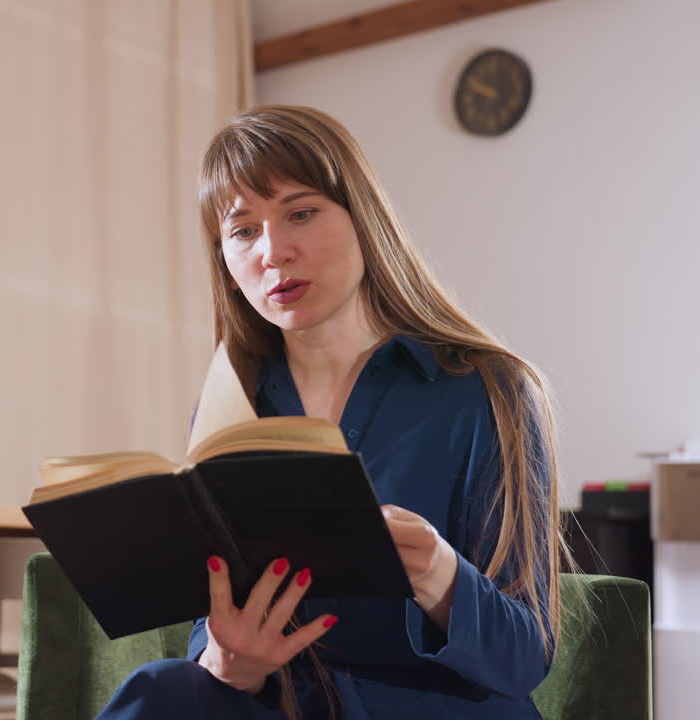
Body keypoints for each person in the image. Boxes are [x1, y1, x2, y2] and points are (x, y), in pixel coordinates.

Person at [94, 105, 565, 719]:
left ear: (364, 221)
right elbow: (211, 627)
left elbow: (526, 657)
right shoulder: (231, 411)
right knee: (163, 690)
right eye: (242, 231)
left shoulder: (489, 389)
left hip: (435, 710)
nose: (273, 251)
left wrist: (443, 578)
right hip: (282, 707)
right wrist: (226, 662)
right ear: (228, 268)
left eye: (301, 212)